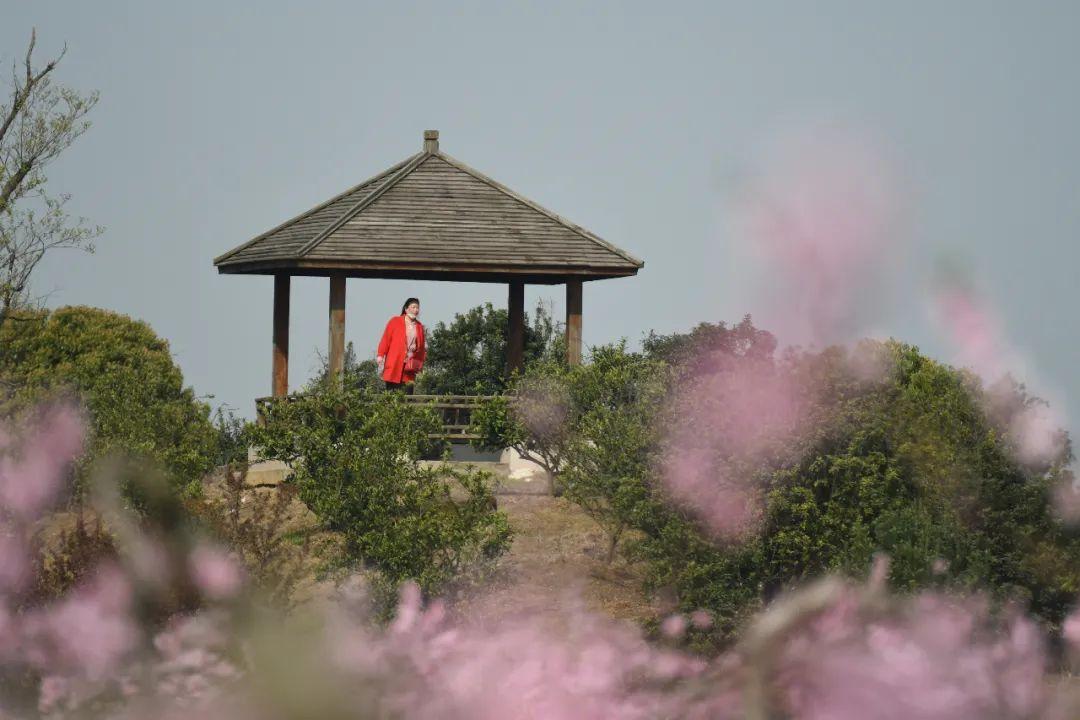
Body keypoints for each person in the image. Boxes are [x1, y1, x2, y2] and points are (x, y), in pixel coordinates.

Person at [376, 297, 425, 393]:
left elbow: (422, 348)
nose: (416, 310)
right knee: (392, 395)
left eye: (417, 308)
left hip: (409, 366)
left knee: (408, 395)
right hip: (395, 363)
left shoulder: (419, 326)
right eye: (413, 307)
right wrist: (380, 355)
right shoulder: (395, 321)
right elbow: (386, 339)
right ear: (406, 309)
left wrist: (420, 364)